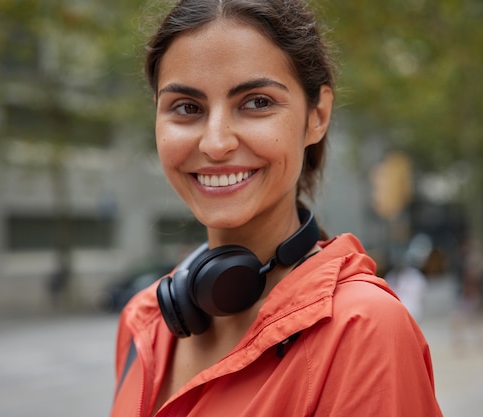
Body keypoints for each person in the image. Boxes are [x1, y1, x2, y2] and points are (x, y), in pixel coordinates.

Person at [110, 1, 443, 416]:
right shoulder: (144, 321)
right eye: (187, 107)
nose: (216, 143)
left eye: (256, 103)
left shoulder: (363, 329)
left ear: (317, 115)